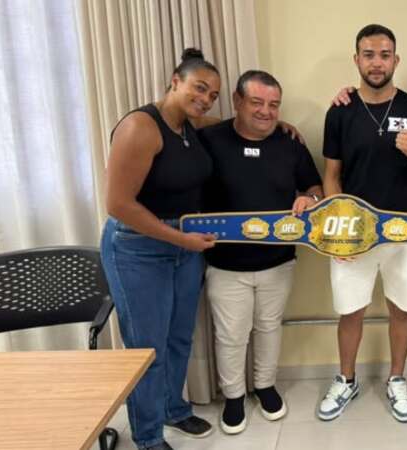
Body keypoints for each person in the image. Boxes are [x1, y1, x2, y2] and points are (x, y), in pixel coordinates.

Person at [317, 24, 407, 423]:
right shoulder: (340, 111)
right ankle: (346, 379)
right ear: (357, 59)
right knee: (350, 311)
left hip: (405, 232)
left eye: (384, 55)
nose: (376, 63)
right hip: (353, 235)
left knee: (402, 310)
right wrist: (338, 232)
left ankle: (397, 379)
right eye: (368, 55)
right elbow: (331, 176)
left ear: (396, 60)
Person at [101, 48, 220, 450]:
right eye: (199, 88)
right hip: (138, 249)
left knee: (179, 337)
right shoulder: (140, 127)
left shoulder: (188, 126)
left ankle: (173, 407)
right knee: (146, 348)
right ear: (175, 81)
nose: (205, 100)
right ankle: (148, 436)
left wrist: (275, 124)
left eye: (212, 95)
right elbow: (118, 204)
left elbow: (226, 124)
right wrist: (180, 240)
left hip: (184, 246)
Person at [199, 70, 323, 434]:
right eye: (257, 103)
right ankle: (234, 396)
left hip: (278, 260)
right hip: (224, 263)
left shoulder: (290, 142)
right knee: (231, 335)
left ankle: (265, 386)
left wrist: (310, 199)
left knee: (269, 327)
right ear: (237, 102)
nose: (266, 112)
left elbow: (316, 187)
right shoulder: (209, 140)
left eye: (273, 105)